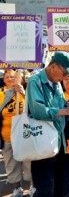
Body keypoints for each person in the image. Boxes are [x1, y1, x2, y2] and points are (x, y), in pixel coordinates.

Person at [26, 52, 69, 197]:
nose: (66, 76)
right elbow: (38, 111)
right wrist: (65, 110)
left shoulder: (57, 83)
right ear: (53, 66)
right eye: (65, 72)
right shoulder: (35, 81)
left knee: (64, 187)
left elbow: (59, 105)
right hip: (42, 144)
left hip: (59, 143)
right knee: (45, 189)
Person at [0, 69, 32, 197]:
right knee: (11, 164)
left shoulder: (26, 92)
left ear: (18, 78)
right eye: (7, 77)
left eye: (13, 77)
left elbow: (31, 109)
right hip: (6, 135)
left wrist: (23, 93)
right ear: (4, 80)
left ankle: (30, 188)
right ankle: (16, 189)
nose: (10, 79)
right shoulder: (1, 94)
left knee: (28, 162)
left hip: (24, 135)